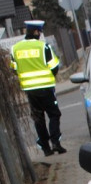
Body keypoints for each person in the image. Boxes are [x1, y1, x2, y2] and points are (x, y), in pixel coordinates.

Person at [10, 20, 66, 156]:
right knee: (54, 114)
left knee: (38, 118)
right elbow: (54, 67)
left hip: (30, 90)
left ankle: (46, 148)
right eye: (39, 32)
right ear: (35, 32)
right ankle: (56, 143)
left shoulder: (15, 48)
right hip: (46, 88)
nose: (40, 34)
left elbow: (14, 69)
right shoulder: (43, 47)